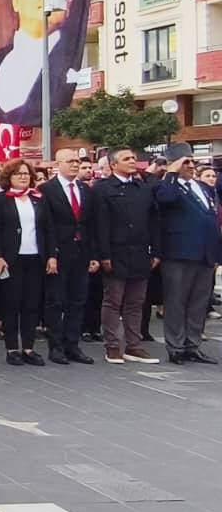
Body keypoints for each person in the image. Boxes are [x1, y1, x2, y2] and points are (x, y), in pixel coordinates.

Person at [92, 147, 162, 365]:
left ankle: (134, 345)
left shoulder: (143, 188)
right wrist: (103, 254)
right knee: (113, 301)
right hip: (115, 252)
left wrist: (156, 250)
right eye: (127, 158)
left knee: (136, 302)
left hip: (141, 252)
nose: (133, 161)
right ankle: (112, 345)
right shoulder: (103, 188)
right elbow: (99, 225)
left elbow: (154, 222)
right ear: (113, 165)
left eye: (133, 158)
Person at [154, 155, 220, 364]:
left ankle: (193, 345)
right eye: (185, 163)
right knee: (176, 302)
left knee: (198, 303)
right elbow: (166, 199)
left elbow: (211, 218)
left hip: (205, 254)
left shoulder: (203, 187)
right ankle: (176, 347)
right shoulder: (167, 185)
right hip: (179, 253)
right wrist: (171, 173)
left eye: (192, 162)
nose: (191, 166)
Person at [0, 159, 53, 367]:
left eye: (26, 173)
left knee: (32, 304)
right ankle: (11, 348)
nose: (23, 177)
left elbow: (49, 229)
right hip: (11, 258)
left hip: (35, 256)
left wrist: (51, 255)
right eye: (18, 174)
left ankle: (29, 348)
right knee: (11, 304)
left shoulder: (39, 198)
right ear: (9, 178)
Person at [39, 148, 98, 365]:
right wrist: (51, 254)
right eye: (71, 161)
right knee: (56, 301)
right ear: (59, 163)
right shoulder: (47, 189)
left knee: (78, 300)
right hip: (58, 252)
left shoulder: (85, 189)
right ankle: (55, 346)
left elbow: (90, 223)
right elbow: (46, 225)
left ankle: (72, 344)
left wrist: (93, 254)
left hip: (81, 252)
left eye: (78, 161)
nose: (75, 165)